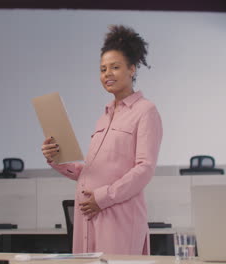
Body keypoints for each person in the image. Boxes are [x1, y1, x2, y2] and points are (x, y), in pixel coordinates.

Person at [41, 25, 162, 255]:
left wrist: (103, 197)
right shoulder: (104, 116)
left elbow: (145, 169)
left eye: (115, 67)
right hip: (87, 217)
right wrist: (56, 159)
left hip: (118, 217)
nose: (107, 74)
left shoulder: (146, 111)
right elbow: (90, 171)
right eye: (103, 69)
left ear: (132, 69)